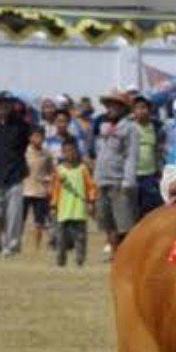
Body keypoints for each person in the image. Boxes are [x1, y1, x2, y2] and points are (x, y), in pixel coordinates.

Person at [0, 90, 30, 256]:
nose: (0, 107)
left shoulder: (21, 125)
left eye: (4, 103)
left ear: (11, 105)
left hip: (15, 174)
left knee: (14, 215)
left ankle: (12, 246)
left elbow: (24, 146)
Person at [92, 90, 140, 255]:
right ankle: (115, 255)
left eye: (114, 105)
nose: (110, 108)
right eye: (108, 105)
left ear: (123, 108)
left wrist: (128, 181)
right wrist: (95, 179)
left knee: (124, 225)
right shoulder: (104, 127)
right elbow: (100, 155)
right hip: (102, 180)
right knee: (108, 224)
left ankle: (127, 256)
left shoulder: (130, 128)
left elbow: (131, 156)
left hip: (119, 182)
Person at [51, 136, 97, 267]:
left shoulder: (83, 169)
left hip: (79, 209)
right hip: (63, 210)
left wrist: (91, 202)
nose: (69, 154)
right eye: (66, 151)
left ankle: (80, 260)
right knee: (60, 238)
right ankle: (61, 261)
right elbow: (54, 189)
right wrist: (53, 206)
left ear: (76, 151)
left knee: (80, 238)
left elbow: (91, 187)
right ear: (62, 152)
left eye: (72, 150)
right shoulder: (59, 170)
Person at [131, 94, 165, 218]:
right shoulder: (129, 127)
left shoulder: (156, 127)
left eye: (144, 107)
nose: (141, 111)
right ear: (133, 111)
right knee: (133, 210)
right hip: (132, 175)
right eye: (138, 108)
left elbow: (159, 150)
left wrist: (159, 170)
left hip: (150, 175)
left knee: (152, 210)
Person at [23, 125, 54, 252]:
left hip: (40, 191)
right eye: (35, 136)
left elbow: (51, 170)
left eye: (40, 136)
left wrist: (48, 180)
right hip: (24, 189)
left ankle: (37, 248)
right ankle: (15, 245)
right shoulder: (24, 152)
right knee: (20, 219)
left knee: (39, 221)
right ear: (30, 138)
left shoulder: (47, 153)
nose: (38, 139)